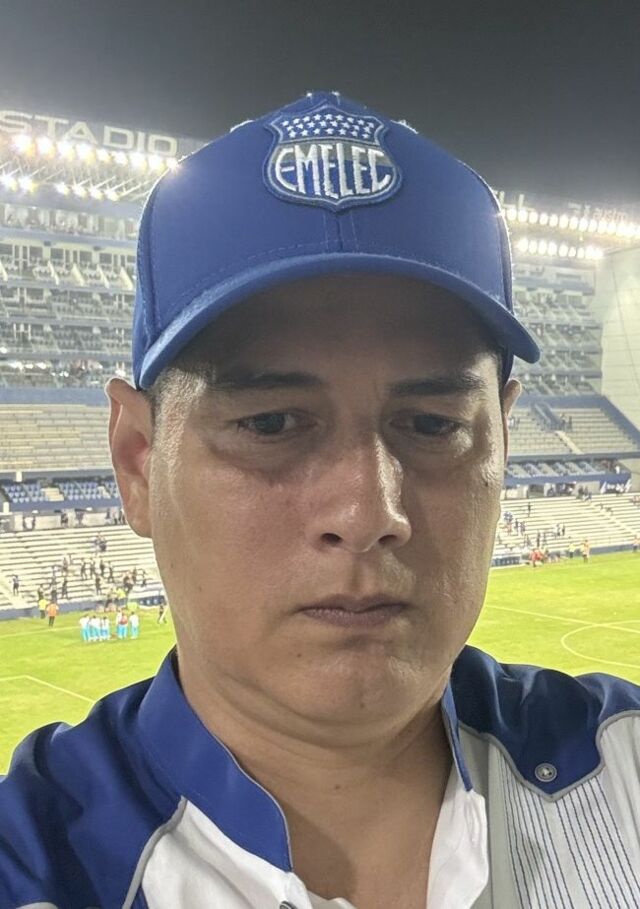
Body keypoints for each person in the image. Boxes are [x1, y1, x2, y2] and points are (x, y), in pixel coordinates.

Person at [1, 91, 639, 907]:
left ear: (502, 445)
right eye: (270, 423)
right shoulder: (34, 864)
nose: (368, 513)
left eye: (433, 424)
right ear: (138, 463)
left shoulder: (625, 767)